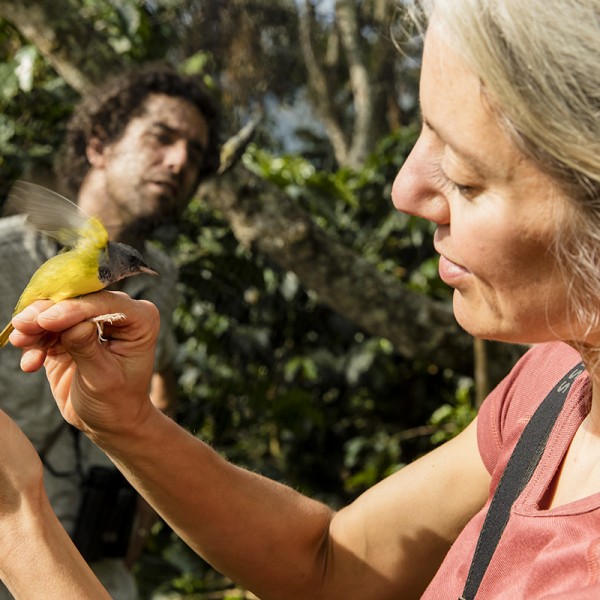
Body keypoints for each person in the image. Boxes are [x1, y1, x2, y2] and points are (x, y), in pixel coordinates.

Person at [2, 0, 600, 597]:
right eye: (425, 134)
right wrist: (128, 424)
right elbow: (329, 568)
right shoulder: (559, 379)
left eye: (466, 177)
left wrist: (16, 526)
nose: (404, 190)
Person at [0, 64, 218, 599]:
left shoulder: (162, 281)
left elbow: (162, 380)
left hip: (99, 564)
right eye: (161, 137)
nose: (179, 161)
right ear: (99, 144)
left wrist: (144, 511)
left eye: (194, 152)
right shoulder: (5, 257)